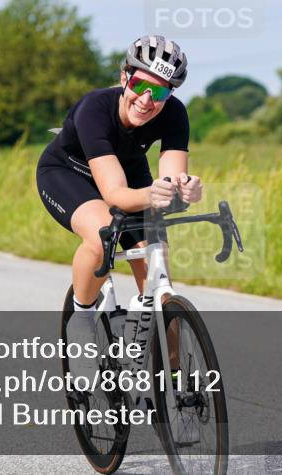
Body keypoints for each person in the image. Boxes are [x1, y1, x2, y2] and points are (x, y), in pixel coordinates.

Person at [36, 35, 202, 369]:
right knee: (102, 235)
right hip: (70, 174)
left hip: (129, 173)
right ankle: (81, 320)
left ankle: (172, 379)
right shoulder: (94, 108)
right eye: (141, 85)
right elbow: (114, 195)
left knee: (157, 270)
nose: (147, 100)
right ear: (125, 76)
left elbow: (172, 179)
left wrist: (185, 190)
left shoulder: (174, 114)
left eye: (160, 92)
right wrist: (151, 195)